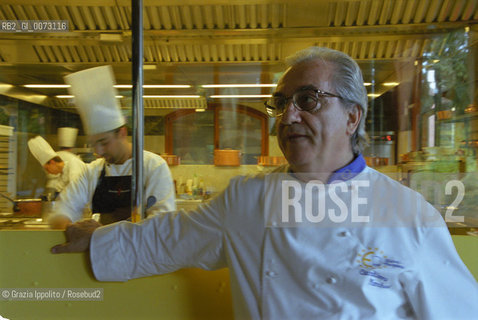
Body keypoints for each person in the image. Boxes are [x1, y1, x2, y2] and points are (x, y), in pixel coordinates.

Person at [52, 47, 478, 319]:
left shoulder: (409, 215)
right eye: (280, 104)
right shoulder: (247, 200)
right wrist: (100, 238)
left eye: (308, 100)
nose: (289, 116)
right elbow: (165, 239)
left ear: (352, 117)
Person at [49, 65, 176, 228]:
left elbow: (162, 223)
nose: (99, 151)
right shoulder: (91, 172)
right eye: (94, 144)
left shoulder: (153, 166)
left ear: (122, 133)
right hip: (102, 249)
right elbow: (62, 210)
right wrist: (69, 228)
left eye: (104, 142)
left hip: (140, 251)